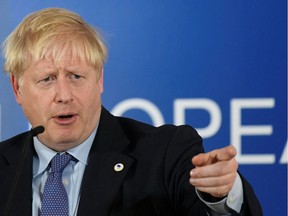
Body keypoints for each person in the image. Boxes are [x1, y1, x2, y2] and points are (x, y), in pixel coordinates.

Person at [0, 7, 262, 216]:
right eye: (47, 79)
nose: (64, 95)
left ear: (99, 80)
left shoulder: (165, 154)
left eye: (76, 76)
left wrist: (222, 197)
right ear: (18, 88)